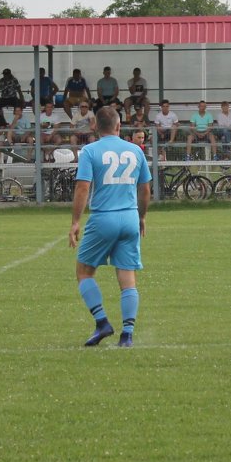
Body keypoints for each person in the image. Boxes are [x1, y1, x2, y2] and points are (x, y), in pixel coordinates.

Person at [68, 106, 152, 348]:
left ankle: (102, 322)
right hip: (129, 218)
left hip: (103, 217)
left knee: (84, 272)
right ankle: (127, 335)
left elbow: (83, 188)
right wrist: (142, 217)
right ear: (118, 126)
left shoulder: (90, 151)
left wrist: (75, 221)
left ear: (94, 126)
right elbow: (145, 189)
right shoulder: (135, 150)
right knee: (127, 278)